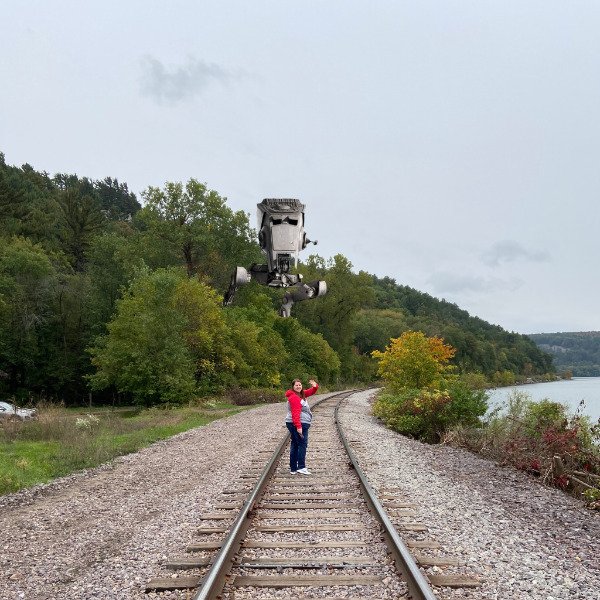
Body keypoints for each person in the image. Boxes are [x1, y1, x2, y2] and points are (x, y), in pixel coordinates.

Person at [285, 378, 318, 475]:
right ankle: (301, 467)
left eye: (300, 385)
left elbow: (311, 391)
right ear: (293, 387)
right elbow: (295, 413)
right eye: (296, 385)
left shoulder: (301, 394)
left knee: (295, 444)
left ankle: (293, 468)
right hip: (299, 422)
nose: (298, 386)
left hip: (297, 422)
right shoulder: (294, 397)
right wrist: (298, 427)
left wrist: (315, 386)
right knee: (302, 444)